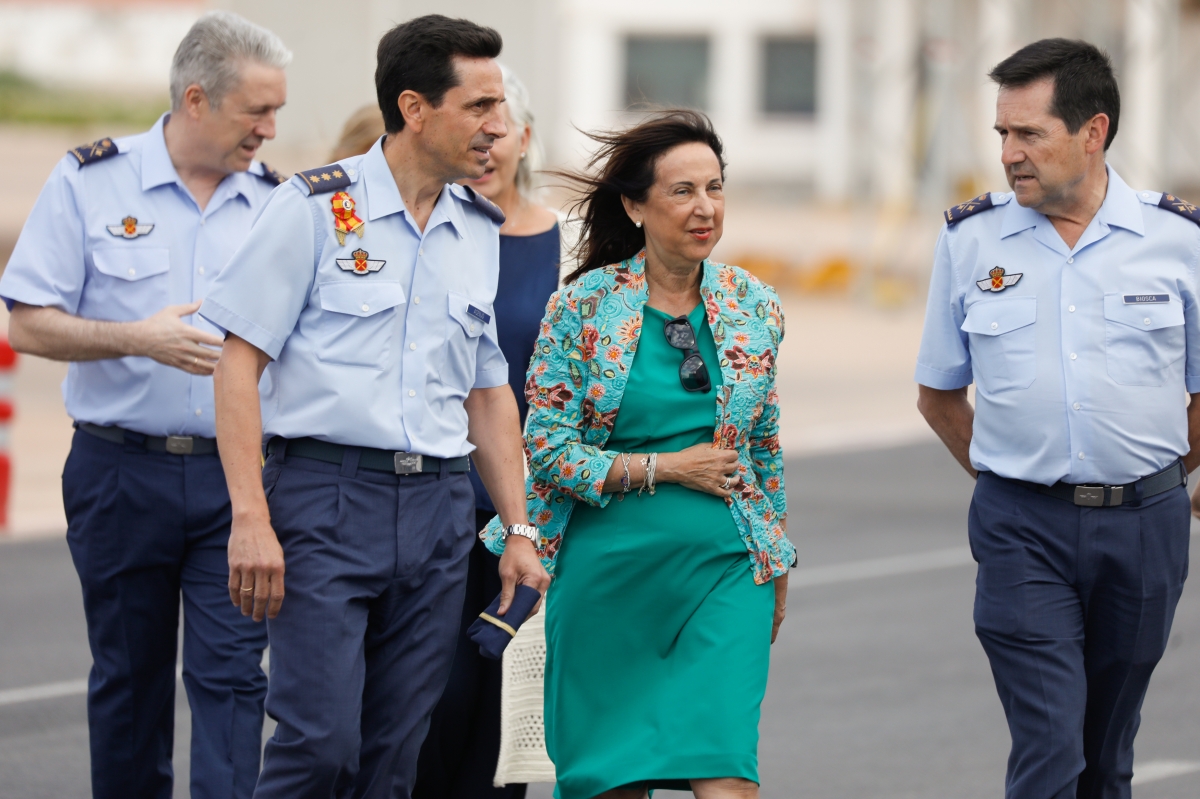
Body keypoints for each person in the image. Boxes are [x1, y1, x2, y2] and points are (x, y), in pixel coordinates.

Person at [198, 15, 550, 799]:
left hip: (438, 511)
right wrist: (249, 516)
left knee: (396, 756)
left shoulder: (475, 227)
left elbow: (488, 391)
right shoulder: (313, 208)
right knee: (321, 743)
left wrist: (518, 528)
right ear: (415, 108)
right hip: (325, 500)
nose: (499, 125)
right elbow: (237, 364)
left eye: (500, 105)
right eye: (480, 105)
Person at [0, 11, 289, 799]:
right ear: (197, 99)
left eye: (276, 110)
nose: (271, 128)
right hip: (120, 471)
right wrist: (137, 338)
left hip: (238, 482)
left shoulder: (278, 202)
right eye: (257, 110)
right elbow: (27, 322)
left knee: (235, 680)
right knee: (130, 679)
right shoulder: (89, 181)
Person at [481, 109, 794, 799]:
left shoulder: (756, 304)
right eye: (682, 191)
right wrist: (668, 467)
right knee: (610, 781)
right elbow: (549, 449)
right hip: (608, 576)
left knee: (728, 773)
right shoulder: (580, 307)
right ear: (635, 206)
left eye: (714, 187)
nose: (705, 207)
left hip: (726, 567)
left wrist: (777, 557)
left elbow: (764, 445)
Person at [916, 39, 1198, 799]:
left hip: (1146, 528)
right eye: (1002, 132)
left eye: (1029, 133)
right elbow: (938, 396)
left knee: (1106, 755)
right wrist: (1014, 475)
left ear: (1092, 131)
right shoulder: (970, 239)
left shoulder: (1179, 241)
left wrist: (1158, 478)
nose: (1009, 152)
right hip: (1021, 526)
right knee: (1049, 746)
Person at [414, 62, 561, 799]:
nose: (489, 146)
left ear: (524, 139)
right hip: (435, 502)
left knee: (509, 707)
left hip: (530, 510)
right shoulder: (427, 232)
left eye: (502, 131)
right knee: (433, 700)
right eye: (478, 129)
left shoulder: (567, 244)